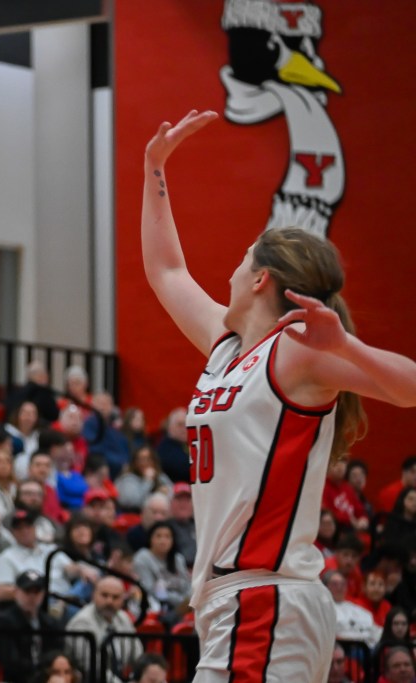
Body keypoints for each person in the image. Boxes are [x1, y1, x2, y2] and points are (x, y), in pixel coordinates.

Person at [142, 108, 416, 682]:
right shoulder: (227, 346)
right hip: (242, 603)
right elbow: (167, 271)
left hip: (264, 599)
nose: (234, 268)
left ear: (262, 279)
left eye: (244, 259)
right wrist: (154, 169)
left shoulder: (295, 348)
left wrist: (349, 348)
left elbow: (410, 388)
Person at [0, 569, 67, 683]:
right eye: (27, 591)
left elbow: (57, 653)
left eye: (37, 592)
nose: (32, 596)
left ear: (43, 594)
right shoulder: (3, 622)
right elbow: (9, 661)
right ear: (16, 592)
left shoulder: (50, 623)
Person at [65, 575, 143, 683]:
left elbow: (138, 656)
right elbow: (93, 668)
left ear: (122, 600)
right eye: (104, 595)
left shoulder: (123, 618)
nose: (109, 601)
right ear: (93, 595)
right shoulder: (81, 622)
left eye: (115, 597)